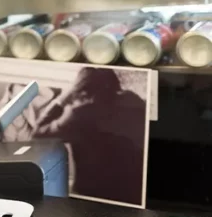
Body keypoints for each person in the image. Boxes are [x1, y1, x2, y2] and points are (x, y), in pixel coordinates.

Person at [35, 67, 146, 206]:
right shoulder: (134, 100)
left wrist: (61, 100)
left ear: (81, 87)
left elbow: (38, 134)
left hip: (92, 194)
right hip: (133, 192)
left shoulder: (78, 114)